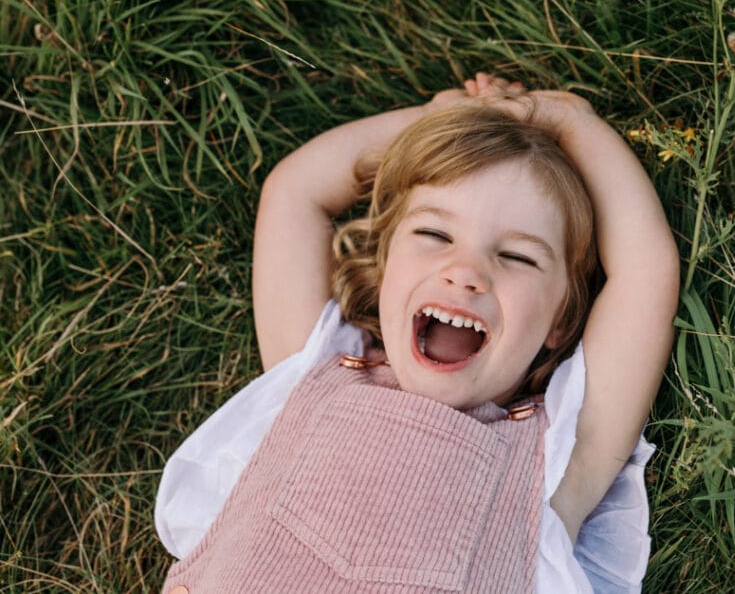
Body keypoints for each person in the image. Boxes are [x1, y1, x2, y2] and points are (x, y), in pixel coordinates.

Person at [155, 73, 679, 592]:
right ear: (384, 269)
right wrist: (442, 122)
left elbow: (644, 272)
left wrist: (569, 122)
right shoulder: (309, 374)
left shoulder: (561, 457)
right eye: (434, 234)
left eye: (517, 256)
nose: (465, 271)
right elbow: (295, 192)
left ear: (561, 318)